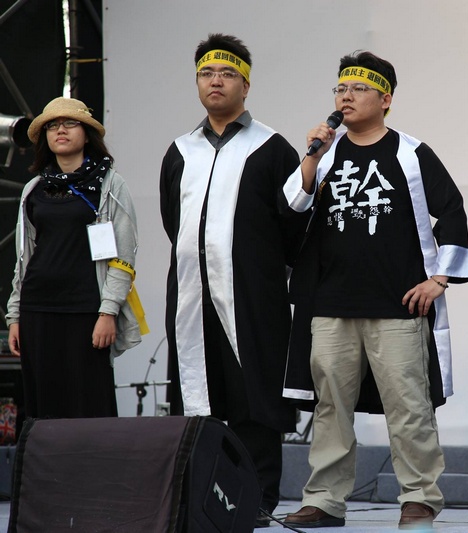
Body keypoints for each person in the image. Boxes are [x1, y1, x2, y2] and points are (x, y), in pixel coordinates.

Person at [281, 51, 468, 530]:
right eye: (340, 89)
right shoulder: (325, 154)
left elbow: (452, 209)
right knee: (330, 406)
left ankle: (419, 497)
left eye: (358, 89)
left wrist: (439, 278)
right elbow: (293, 207)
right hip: (331, 303)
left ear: (385, 99)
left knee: (409, 405)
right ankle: (324, 500)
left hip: (397, 303)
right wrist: (311, 155)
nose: (346, 97)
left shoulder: (411, 153)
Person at [159, 33, 306, 527]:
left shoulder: (271, 147)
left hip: (252, 294)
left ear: (246, 84)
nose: (215, 81)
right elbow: (173, 222)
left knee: (254, 395)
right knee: (199, 395)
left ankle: (257, 497)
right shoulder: (180, 151)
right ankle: (204, 494)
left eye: (226, 74)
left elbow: (294, 225)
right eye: (206, 73)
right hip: (192, 292)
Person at [6, 96, 140, 419]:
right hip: (38, 309)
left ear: (87, 134)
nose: (60, 130)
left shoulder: (110, 185)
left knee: (90, 405)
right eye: (52, 126)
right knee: (44, 406)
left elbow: (124, 255)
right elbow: (24, 259)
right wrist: (14, 316)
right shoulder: (34, 189)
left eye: (70, 123)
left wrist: (108, 311)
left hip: (86, 310)